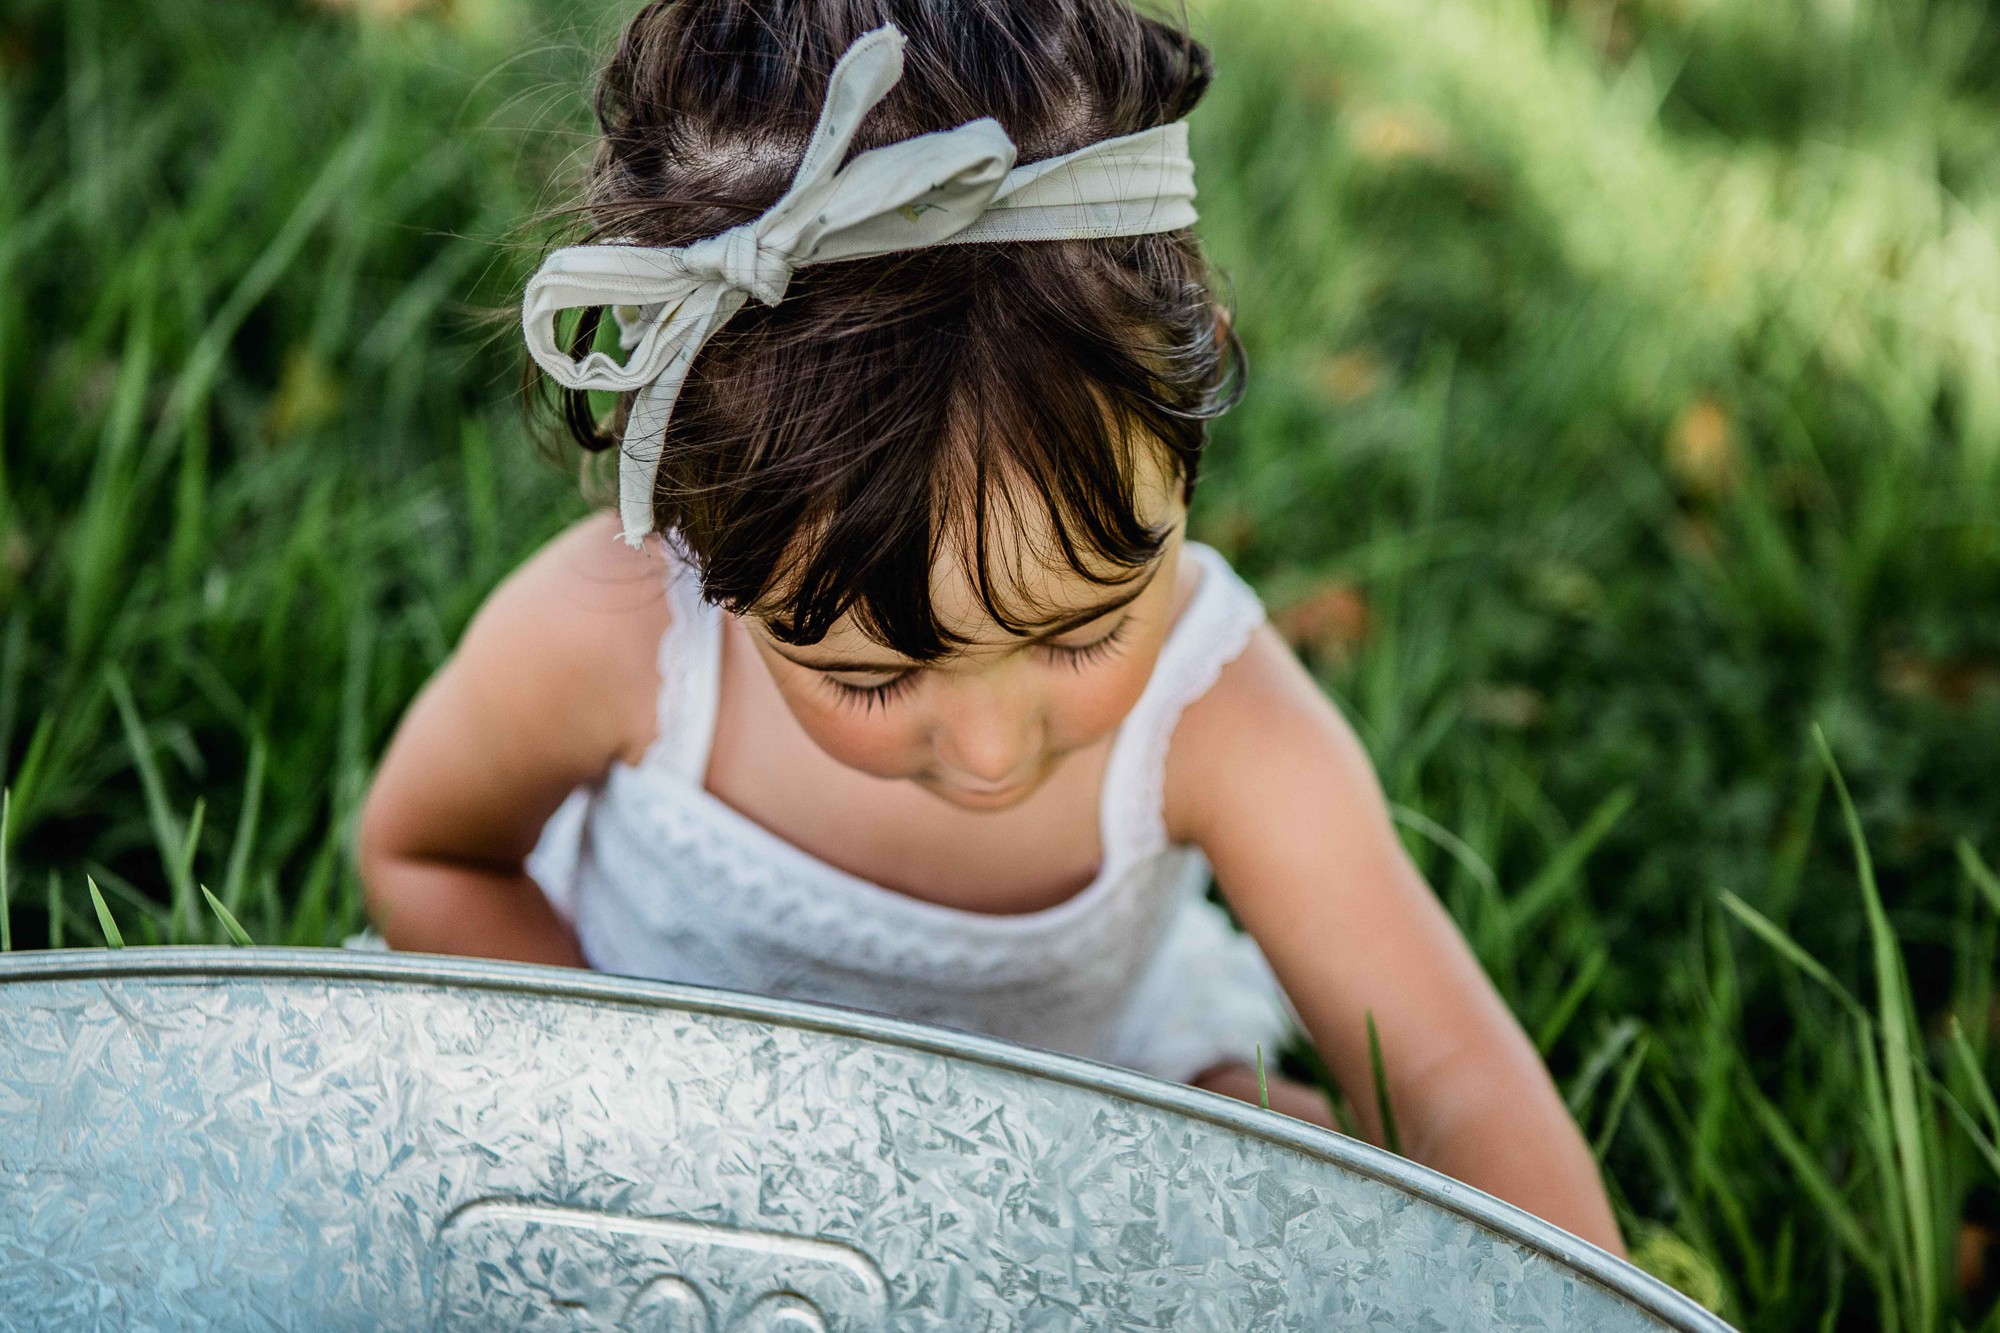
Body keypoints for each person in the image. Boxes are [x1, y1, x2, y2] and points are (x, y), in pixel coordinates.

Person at [355, 0, 1626, 1257]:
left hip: (1074, 1132)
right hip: (685, 1139)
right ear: (693, 523)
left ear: (1187, 397)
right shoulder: (616, 638)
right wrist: (648, 1115)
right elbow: (429, 856)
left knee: (1283, 1189)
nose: (989, 751)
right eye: (868, 677)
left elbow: (1451, 1080)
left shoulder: (1217, 715)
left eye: (1078, 634)